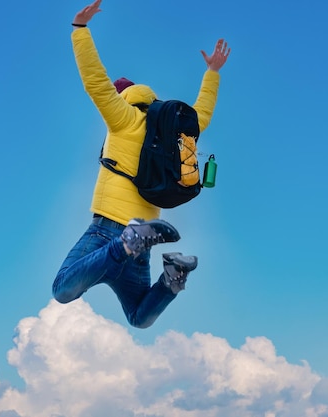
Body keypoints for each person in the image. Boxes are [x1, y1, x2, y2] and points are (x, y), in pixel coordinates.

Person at [52, 0, 230, 329]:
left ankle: (126, 245)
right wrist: (213, 74)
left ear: (122, 96)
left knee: (63, 290)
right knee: (138, 317)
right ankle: (173, 276)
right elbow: (200, 116)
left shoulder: (122, 118)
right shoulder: (170, 130)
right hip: (145, 230)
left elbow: (95, 81)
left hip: (109, 230)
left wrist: (79, 30)